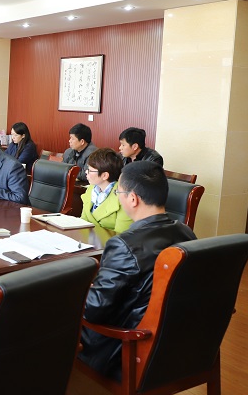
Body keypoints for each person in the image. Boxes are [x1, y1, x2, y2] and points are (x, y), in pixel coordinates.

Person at [79, 161, 196, 379]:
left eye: (118, 193)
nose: (118, 198)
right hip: (177, 346)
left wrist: (79, 290)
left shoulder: (124, 245)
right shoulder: (186, 233)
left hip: (122, 349)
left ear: (132, 199)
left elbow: (93, 310)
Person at [80, 148, 133, 233]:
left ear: (104, 175)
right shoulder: (91, 189)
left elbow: (121, 235)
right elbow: (82, 222)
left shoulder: (124, 196)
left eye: (90, 170)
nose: (86, 172)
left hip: (109, 240)